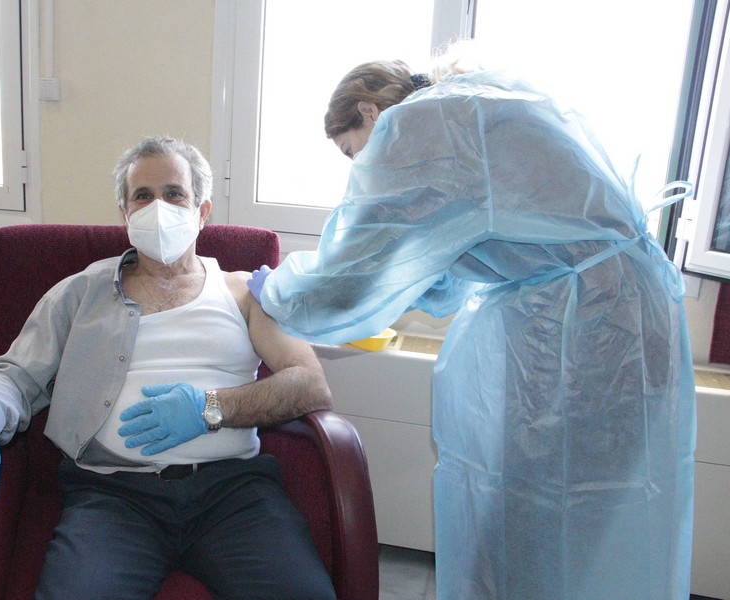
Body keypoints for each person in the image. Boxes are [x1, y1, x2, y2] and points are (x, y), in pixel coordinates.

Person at [248, 42, 696, 599]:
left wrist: (277, 290)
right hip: (620, 312)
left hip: (593, 329)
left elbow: (349, 276)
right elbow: (450, 270)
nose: (359, 165)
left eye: (350, 150)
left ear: (368, 111)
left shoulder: (415, 126)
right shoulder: (468, 107)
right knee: (586, 517)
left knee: (543, 511)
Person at [0, 136, 337, 600]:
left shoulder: (244, 291)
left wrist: (210, 408)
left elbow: (309, 383)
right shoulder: (80, 292)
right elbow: (16, 374)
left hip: (233, 493)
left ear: (202, 211)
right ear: (125, 213)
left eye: (174, 193)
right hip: (113, 494)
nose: (158, 207)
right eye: (143, 196)